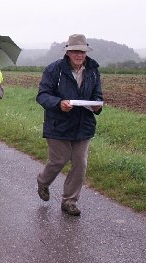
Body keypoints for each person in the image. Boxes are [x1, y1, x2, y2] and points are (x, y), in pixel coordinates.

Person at [35, 34, 103, 216]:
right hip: (58, 124)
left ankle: (69, 201)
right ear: (68, 52)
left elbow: (98, 95)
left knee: (80, 163)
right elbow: (42, 95)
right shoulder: (54, 70)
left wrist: (97, 105)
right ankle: (43, 181)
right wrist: (59, 103)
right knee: (59, 160)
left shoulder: (93, 70)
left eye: (82, 51)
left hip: (83, 124)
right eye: (75, 51)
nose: (79, 55)